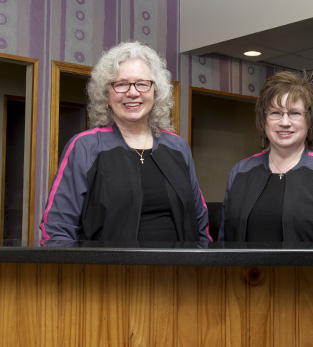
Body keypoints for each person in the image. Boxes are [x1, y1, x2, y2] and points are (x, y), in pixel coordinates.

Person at [40, 41, 212, 244]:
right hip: (108, 274)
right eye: (121, 84)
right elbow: (56, 231)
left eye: (142, 83)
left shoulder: (178, 147)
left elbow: (201, 225)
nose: (132, 92)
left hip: (179, 273)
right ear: (107, 94)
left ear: (155, 92)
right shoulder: (85, 147)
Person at [218, 71, 313, 247]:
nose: (285, 122)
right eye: (275, 112)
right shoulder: (240, 172)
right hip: (247, 275)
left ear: (309, 121)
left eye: (295, 113)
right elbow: (224, 242)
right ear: (263, 119)